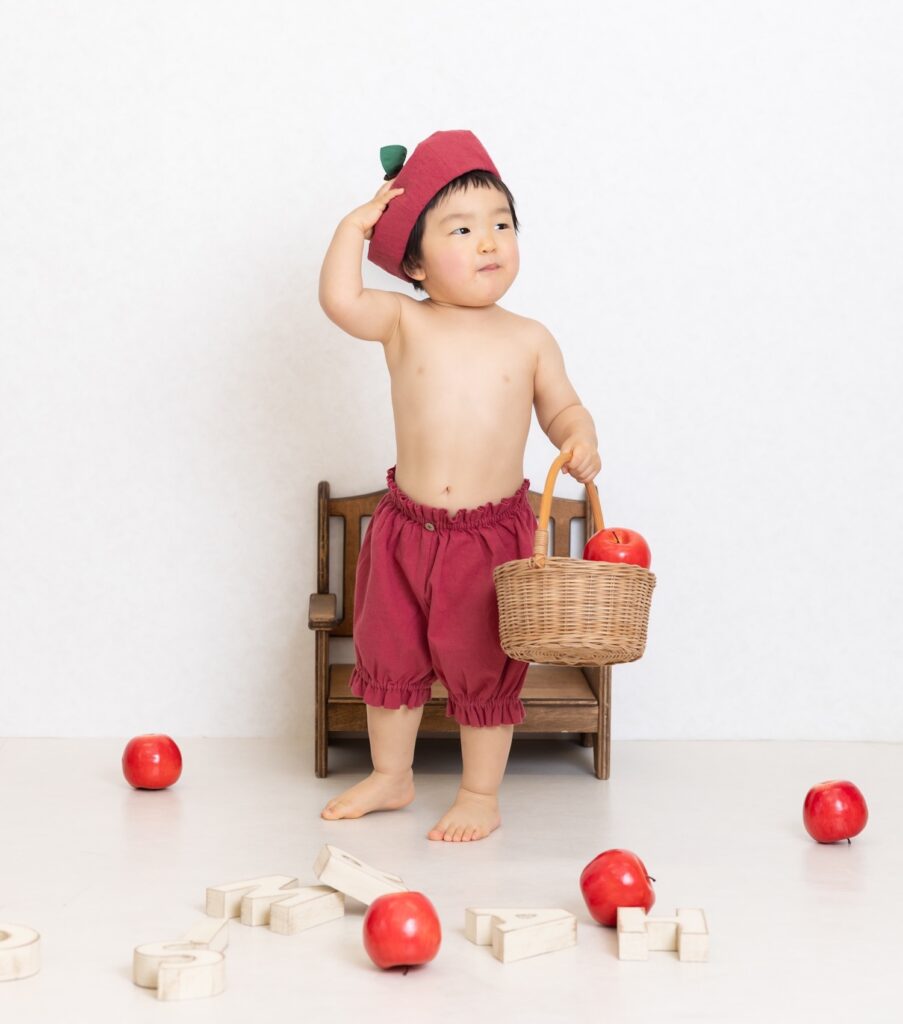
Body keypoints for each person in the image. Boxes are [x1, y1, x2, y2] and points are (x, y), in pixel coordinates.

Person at [317, 130, 601, 842]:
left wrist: (579, 436)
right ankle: (392, 774)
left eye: (501, 224)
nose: (489, 242)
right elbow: (341, 301)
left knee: (483, 665)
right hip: (404, 530)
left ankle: (479, 792)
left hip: (489, 540)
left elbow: (561, 407)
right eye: (463, 229)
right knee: (390, 653)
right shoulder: (403, 320)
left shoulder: (529, 338)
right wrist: (353, 227)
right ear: (413, 261)